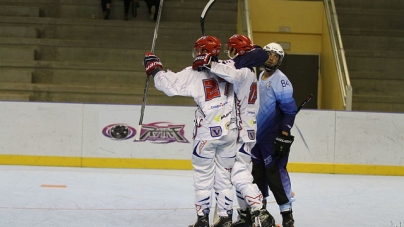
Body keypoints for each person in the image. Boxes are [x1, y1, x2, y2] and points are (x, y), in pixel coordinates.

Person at [142, 35, 237, 227]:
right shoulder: (232, 66)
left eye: (199, 51)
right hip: (230, 132)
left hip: (207, 134)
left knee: (203, 177)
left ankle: (202, 220)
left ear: (203, 52)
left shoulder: (192, 73)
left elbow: (167, 85)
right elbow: (252, 57)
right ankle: (225, 219)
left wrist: (155, 68)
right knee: (224, 176)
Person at [204, 34, 275, 227]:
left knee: (239, 174)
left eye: (231, 49)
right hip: (247, 129)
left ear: (237, 50)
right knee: (236, 174)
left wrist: (210, 64)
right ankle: (245, 215)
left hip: (241, 131)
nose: (229, 52)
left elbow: (231, 73)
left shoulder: (242, 71)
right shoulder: (249, 69)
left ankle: (260, 212)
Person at [250, 42, 297, 227]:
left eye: (275, 56)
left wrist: (284, 135)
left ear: (279, 60)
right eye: (268, 54)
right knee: (258, 175)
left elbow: (289, 110)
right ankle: (261, 213)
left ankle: (287, 215)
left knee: (275, 174)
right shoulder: (260, 75)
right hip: (258, 137)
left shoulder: (281, 81)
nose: (271, 58)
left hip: (273, 137)